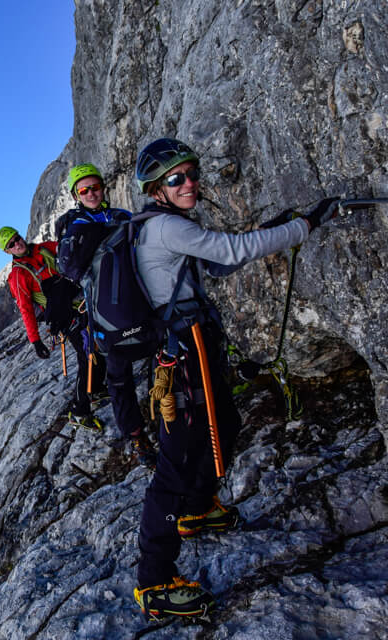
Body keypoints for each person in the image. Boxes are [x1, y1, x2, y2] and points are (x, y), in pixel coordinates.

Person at [130, 137, 338, 619]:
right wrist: (304, 226)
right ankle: (154, 580)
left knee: (224, 422)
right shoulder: (166, 228)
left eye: (191, 173)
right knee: (175, 464)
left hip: (193, 349)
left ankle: (198, 508)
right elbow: (232, 247)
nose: (190, 183)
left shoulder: (162, 227)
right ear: (157, 189)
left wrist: (277, 227)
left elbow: (221, 262)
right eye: (176, 178)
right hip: (184, 359)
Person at [56, 164, 154, 464]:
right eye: (83, 190)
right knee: (119, 376)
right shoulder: (76, 226)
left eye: (94, 187)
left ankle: (164, 417)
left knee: (157, 362)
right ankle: (136, 436)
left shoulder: (122, 217)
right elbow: (69, 269)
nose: (91, 193)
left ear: (103, 187)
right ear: (76, 195)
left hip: (141, 300)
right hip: (104, 310)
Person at [0, 225, 107, 428]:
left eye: (17, 238)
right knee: (86, 355)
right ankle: (80, 411)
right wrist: (35, 341)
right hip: (63, 317)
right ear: (7, 251)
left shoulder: (42, 249)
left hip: (77, 302)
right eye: (11, 244)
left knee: (98, 345)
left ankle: (97, 388)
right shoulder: (18, 275)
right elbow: (26, 309)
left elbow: (66, 250)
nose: (17, 244)